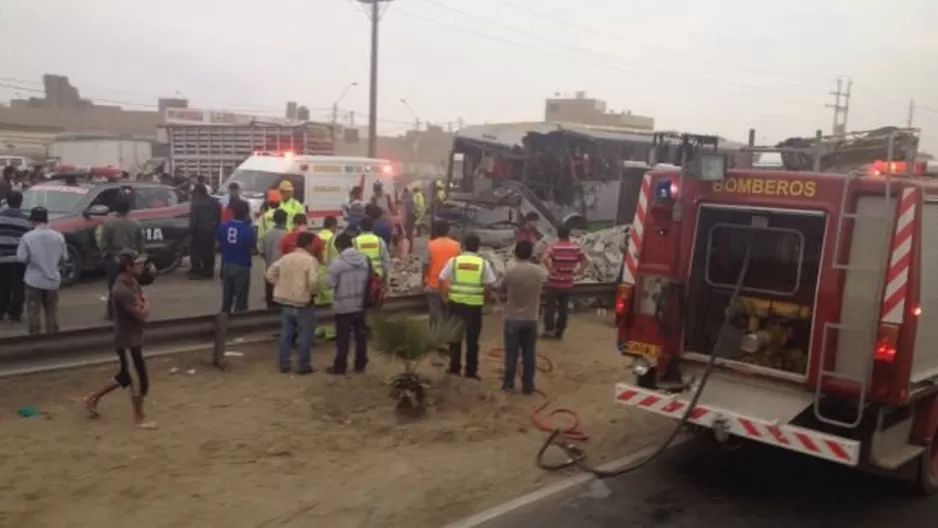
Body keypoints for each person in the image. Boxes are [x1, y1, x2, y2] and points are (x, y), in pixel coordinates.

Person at [82, 249, 157, 429]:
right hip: (126, 342)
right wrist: (146, 304)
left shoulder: (132, 283)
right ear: (127, 267)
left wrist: (143, 304)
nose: (140, 267)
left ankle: (93, 398)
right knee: (138, 380)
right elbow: (141, 313)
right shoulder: (121, 289)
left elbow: (141, 303)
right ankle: (139, 417)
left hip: (134, 337)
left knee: (126, 376)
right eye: (136, 264)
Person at [438, 234, 497, 379]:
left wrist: (444, 297)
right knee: (472, 339)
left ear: (463, 246)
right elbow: (489, 285)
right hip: (474, 306)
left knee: (455, 338)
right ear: (478, 247)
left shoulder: (454, 261)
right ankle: (471, 371)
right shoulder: (483, 263)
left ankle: (454, 368)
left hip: (456, 304)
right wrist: (485, 298)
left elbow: (441, 278)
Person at [496, 240, 547, 394]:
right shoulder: (538, 271)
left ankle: (508, 383)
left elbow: (499, 288)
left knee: (511, 353)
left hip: (512, 318)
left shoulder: (510, 271)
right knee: (529, 353)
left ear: (515, 253)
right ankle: (528, 386)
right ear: (531, 253)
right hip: (531, 319)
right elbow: (547, 278)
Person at [265, 231, 320, 374]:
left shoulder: (286, 258)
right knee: (305, 336)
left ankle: (284, 364)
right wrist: (312, 292)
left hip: (285, 301)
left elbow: (269, 274)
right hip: (303, 303)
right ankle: (303, 365)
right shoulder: (310, 260)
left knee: (286, 335)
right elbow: (313, 281)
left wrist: (280, 285)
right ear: (309, 244)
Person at [324, 232, 371, 375]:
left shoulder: (337, 262)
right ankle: (360, 364)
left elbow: (329, 283)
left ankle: (340, 366)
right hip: (360, 303)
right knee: (361, 337)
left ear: (338, 246)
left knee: (343, 339)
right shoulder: (365, 259)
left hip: (343, 306)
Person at [16, 207, 67, 335]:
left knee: (33, 313)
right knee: (52, 313)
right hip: (53, 281)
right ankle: (52, 339)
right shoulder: (58, 236)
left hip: (34, 281)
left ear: (33, 220)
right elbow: (64, 258)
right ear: (46, 219)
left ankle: (36, 341)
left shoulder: (27, 237)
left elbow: (21, 258)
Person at [99, 196, 144, 321]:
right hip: (132, 259)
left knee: (114, 287)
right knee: (132, 286)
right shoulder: (136, 223)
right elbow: (141, 244)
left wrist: (104, 255)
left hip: (114, 258)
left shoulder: (109, 224)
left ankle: (113, 313)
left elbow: (103, 244)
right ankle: (133, 310)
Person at [542, 225, 588, 339]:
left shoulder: (554, 247)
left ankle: (549, 330)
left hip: (554, 282)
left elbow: (544, 258)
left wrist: (550, 269)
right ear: (568, 234)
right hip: (567, 283)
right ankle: (559, 331)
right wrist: (579, 271)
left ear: (558, 234)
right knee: (563, 308)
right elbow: (587, 260)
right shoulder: (575, 248)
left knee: (550, 307)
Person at [217, 199, 256, 314]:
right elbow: (253, 248)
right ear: (245, 214)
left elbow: (219, 244)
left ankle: (224, 320)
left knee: (227, 297)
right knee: (241, 298)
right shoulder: (248, 230)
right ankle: (239, 323)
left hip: (227, 264)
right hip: (242, 265)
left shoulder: (223, 227)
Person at [0, 191, 32, 323]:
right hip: (18, 259)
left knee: (2, 286)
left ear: (7, 201)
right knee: (18, 286)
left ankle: (1, 311)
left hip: (1, 258)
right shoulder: (26, 220)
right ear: (21, 202)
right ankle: (15, 313)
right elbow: (30, 241)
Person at [423, 220, 461, 325]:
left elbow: (425, 264)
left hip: (433, 284)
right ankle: (449, 333)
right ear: (448, 231)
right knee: (449, 313)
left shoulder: (431, 245)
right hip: (451, 284)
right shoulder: (457, 245)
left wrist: (424, 279)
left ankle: (436, 335)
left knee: (435, 314)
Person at [187, 183, 221, 280]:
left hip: (199, 231)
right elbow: (219, 217)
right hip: (211, 230)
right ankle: (208, 271)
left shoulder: (196, 203)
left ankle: (197, 270)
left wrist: (190, 232)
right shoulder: (214, 202)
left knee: (195, 252)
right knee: (209, 252)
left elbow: (194, 220)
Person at [315, 216, 339, 340]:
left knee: (318, 303)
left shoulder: (316, 236)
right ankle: (330, 332)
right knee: (330, 304)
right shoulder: (332, 239)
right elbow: (336, 258)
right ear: (333, 226)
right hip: (328, 273)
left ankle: (319, 329)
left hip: (316, 273)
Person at [259, 209, 289, 309]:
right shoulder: (288, 236)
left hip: (269, 272)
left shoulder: (266, 235)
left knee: (270, 303)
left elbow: (261, 253)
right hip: (284, 274)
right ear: (285, 220)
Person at [354, 216, 390, 289]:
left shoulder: (354, 242)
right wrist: (385, 277)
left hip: (360, 277)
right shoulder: (380, 241)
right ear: (372, 226)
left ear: (360, 227)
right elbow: (386, 261)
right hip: (377, 277)